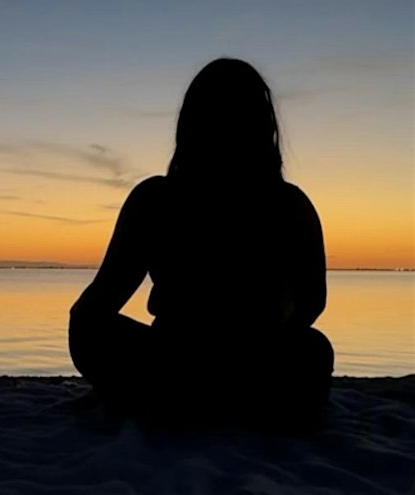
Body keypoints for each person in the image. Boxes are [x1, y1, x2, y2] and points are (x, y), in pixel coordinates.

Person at [68, 58, 332, 430]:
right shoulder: (289, 203)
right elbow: (311, 303)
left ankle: (176, 398)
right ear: (264, 126)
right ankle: (228, 401)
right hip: (229, 365)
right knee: (311, 352)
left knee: (88, 326)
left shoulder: (157, 199)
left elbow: (99, 303)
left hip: (184, 362)